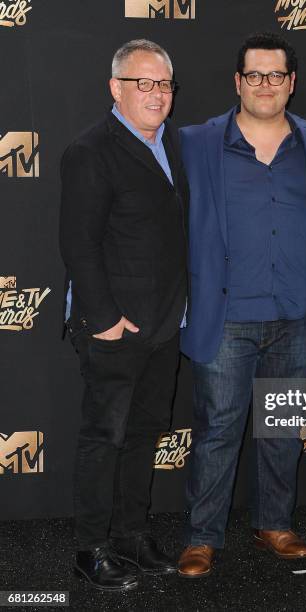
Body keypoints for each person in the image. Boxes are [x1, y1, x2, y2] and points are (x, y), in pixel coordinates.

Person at [177, 32, 306, 578]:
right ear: (238, 82)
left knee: (282, 426)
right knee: (218, 429)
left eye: (276, 75)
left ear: (291, 82)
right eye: (254, 75)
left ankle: (275, 525)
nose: (265, 85)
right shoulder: (196, 142)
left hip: (295, 313)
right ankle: (202, 537)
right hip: (226, 315)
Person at [59, 39, 189, 590]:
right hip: (114, 328)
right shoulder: (91, 150)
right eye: (144, 83)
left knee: (143, 436)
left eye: (164, 84)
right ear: (116, 88)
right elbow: (78, 245)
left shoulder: (173, 147)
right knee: (103, 438)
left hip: (164, 325)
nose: (156, 94)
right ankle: (91, 547)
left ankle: (133, 535)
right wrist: (104, 319)